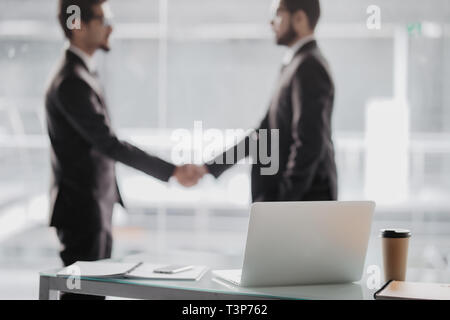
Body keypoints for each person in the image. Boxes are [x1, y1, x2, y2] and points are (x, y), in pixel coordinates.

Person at [45, 0, 204, 299]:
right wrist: (171, 171)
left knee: (90, 294)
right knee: (83, 296)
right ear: (77, 25)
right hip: (81, 210)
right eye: (103, 19)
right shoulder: (71, 81)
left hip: (91, 208)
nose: (111, 26)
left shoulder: (82, 74)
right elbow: (108, 143)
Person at [203, 0, 337, 202]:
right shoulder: (296, 64)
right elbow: (263, 135)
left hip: (304, 203)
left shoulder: (308, 66)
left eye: (278, 14)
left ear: (299, 18)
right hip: (295, 202)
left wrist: (283, 201)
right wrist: (211, 166)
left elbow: (308, 143)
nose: (271, 23)